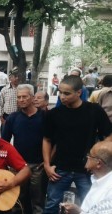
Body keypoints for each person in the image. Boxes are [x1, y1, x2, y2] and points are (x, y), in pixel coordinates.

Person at [42, 75, 112, 214]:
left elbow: (109, 135)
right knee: (51, 205)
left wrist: (99, 155)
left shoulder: (94, 110)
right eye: (60, 92)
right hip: (59, 168)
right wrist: (47, 165)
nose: (62, 96)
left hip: (87, 169)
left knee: (91, 205)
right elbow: (46, 140)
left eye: (67, 93)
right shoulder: (54, 113)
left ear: (79, 92)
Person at [2, 84, 46, 214]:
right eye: (19, 97)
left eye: (24, 97)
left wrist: (47, 161)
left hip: (38, 166)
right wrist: (8, 163)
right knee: (17, 200)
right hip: (18, 166)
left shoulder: (44, 117)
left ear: (32, 98)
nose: (21, 99)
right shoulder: (13, 118)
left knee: (37, 201)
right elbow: (4, 142)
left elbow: (53, 141)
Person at [61, 140, 112, 214]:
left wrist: (78, 213)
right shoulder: (98, 179)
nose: (87, 157)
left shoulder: (109, 192)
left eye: (90, 155)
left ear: (98, 163)